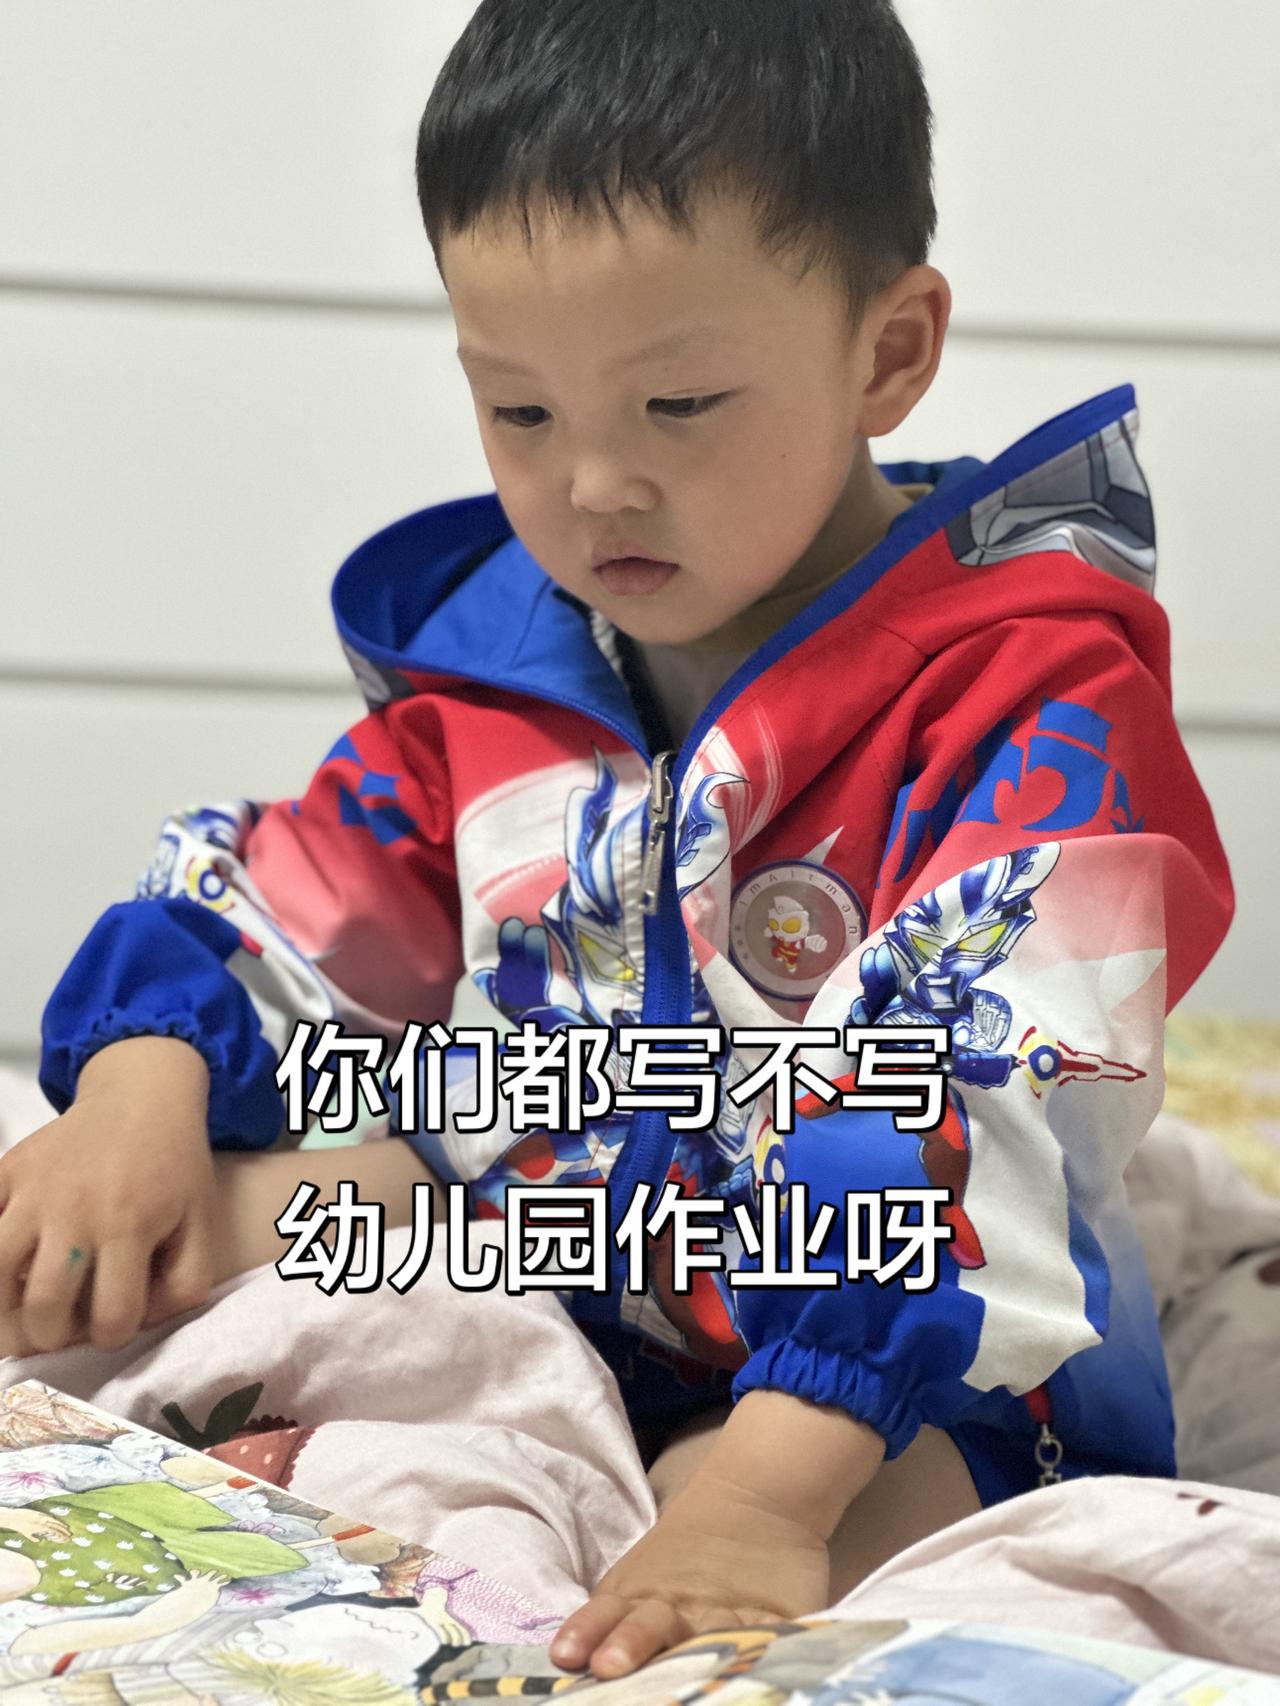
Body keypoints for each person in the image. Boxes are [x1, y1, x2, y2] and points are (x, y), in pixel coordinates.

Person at [8, 0, 1232, 1681]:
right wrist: (140, 1084)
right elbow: (301, 899)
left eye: (679, 403)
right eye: (518, 412)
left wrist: (762, 1489)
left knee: (850, 1537)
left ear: (887, 352)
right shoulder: (513, 670)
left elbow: (987, 1095)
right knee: (163, 1204)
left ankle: (740, 1484)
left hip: (907, 1351)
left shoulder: (1030, 704)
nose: (591, 485)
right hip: (574, 1240)